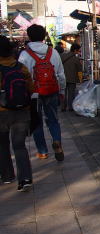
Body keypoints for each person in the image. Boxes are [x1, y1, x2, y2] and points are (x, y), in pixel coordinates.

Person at [19, 24, 66, 161]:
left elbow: (22, 77)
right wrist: (62, 90)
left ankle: (42, 151)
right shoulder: (54, 52)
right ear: (44, 35)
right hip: (52, 91)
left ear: (29, 36)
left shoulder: (24, 55)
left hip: (34, 95)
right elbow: (61, 74)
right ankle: (57, 141)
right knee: (53, 120)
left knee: (37, 122)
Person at [0, 36, 34, 191]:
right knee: (19, 146)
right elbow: (31, 88)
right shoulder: (20, 67)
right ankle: (25, 178)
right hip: (21, 111)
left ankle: (7, 176)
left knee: (3, 145)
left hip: (2, 113)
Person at [60, 43, 83, 112]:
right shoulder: (76, 59)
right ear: (75, 50)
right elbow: (80, 70)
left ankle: (63, 107)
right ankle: (70, 107)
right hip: (72, 78)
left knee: (63, 93)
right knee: (71, 93)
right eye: (78, 51)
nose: (79, 52)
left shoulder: (63, 56)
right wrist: (81, 79)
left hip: (63, 78)